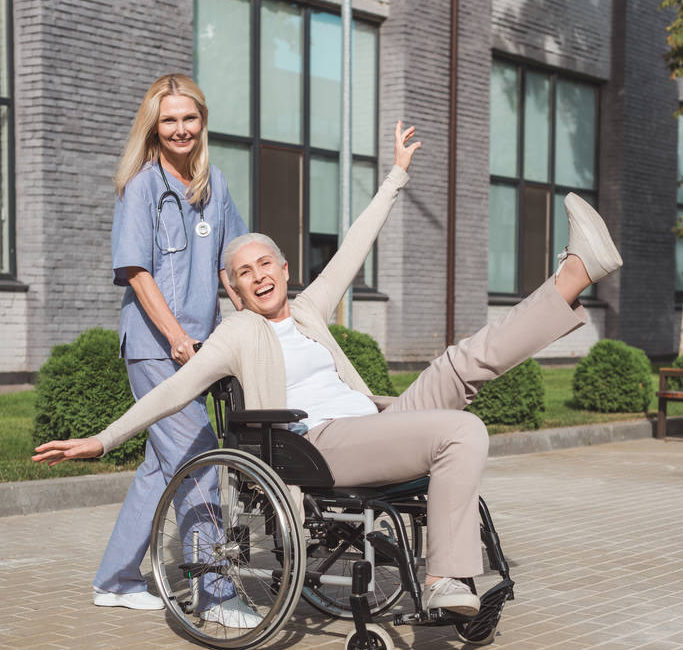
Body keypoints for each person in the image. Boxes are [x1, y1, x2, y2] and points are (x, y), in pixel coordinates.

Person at [35, 121, 622, 621]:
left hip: (375, 423)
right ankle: (445, 578)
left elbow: (355, 247)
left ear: (285, 269)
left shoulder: (310, 308)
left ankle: (573, 275)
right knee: (463, 431)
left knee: (461, 361)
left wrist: (396, 176)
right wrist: (103, 439)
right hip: (320, 445)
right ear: (233, 290)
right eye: (244, 273)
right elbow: (175, 389)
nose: (258, 276)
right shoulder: (238, 332)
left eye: (266, 263)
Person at [91, 74, 247, 612]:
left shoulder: (215, 185)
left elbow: (232, 262)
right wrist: (177, 337)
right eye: (170, 120)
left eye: (189, 118)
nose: (181, 129)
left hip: (202, 348)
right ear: (154, 128)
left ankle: (115, 580)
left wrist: (258, 321)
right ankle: (215, 593)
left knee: (162, 466)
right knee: (198, 458)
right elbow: (137, 272)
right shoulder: (141, 187)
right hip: (156, 348)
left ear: (203, 122)